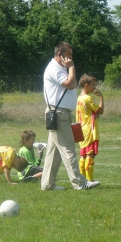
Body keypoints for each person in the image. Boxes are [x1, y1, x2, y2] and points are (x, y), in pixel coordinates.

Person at [41, 42, 100, 190]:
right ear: (60, 55)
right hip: (58, 113)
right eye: (68, 55)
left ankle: (47, 185)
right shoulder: (55, 68)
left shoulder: (59, 68)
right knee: (68, 148)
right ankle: (80, 183)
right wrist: (72, 67)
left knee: (54, 152)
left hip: (60, 113)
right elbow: (70, 84)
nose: (71, 58)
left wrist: (69, 67)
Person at [76, 74, 104, 181]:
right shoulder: (88, 98)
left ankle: (82, 180)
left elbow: (88, 111)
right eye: (93, 85)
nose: (95, 88)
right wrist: (101, 97)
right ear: (86, 85)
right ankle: (89, 180)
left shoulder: (80, 97)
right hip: (89, 129)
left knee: (83, 156)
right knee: (90, 154)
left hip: (81, 129)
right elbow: (100, 111)